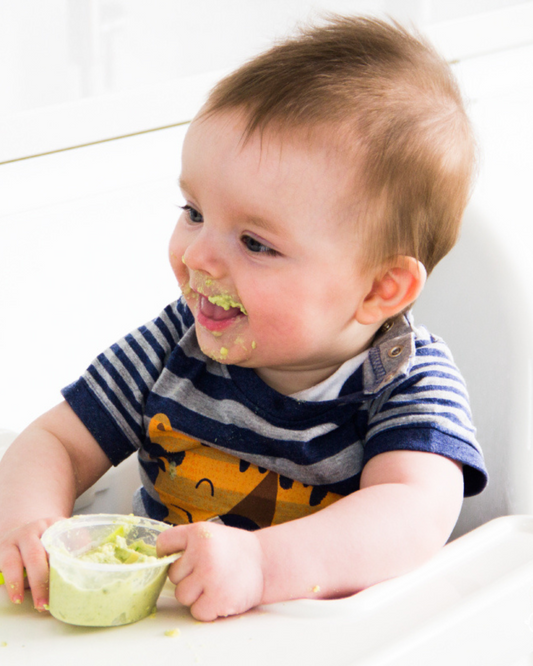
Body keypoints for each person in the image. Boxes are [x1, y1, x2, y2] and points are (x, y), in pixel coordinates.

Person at [0, 15, 487, 622]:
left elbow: (412, 515)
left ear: (379, 289)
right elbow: (55, 442)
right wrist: (29, 524)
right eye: (195, 212)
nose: (198, 256)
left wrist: (261, 565)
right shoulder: (176, 344)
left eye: (255, 243)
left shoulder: (405, 381)